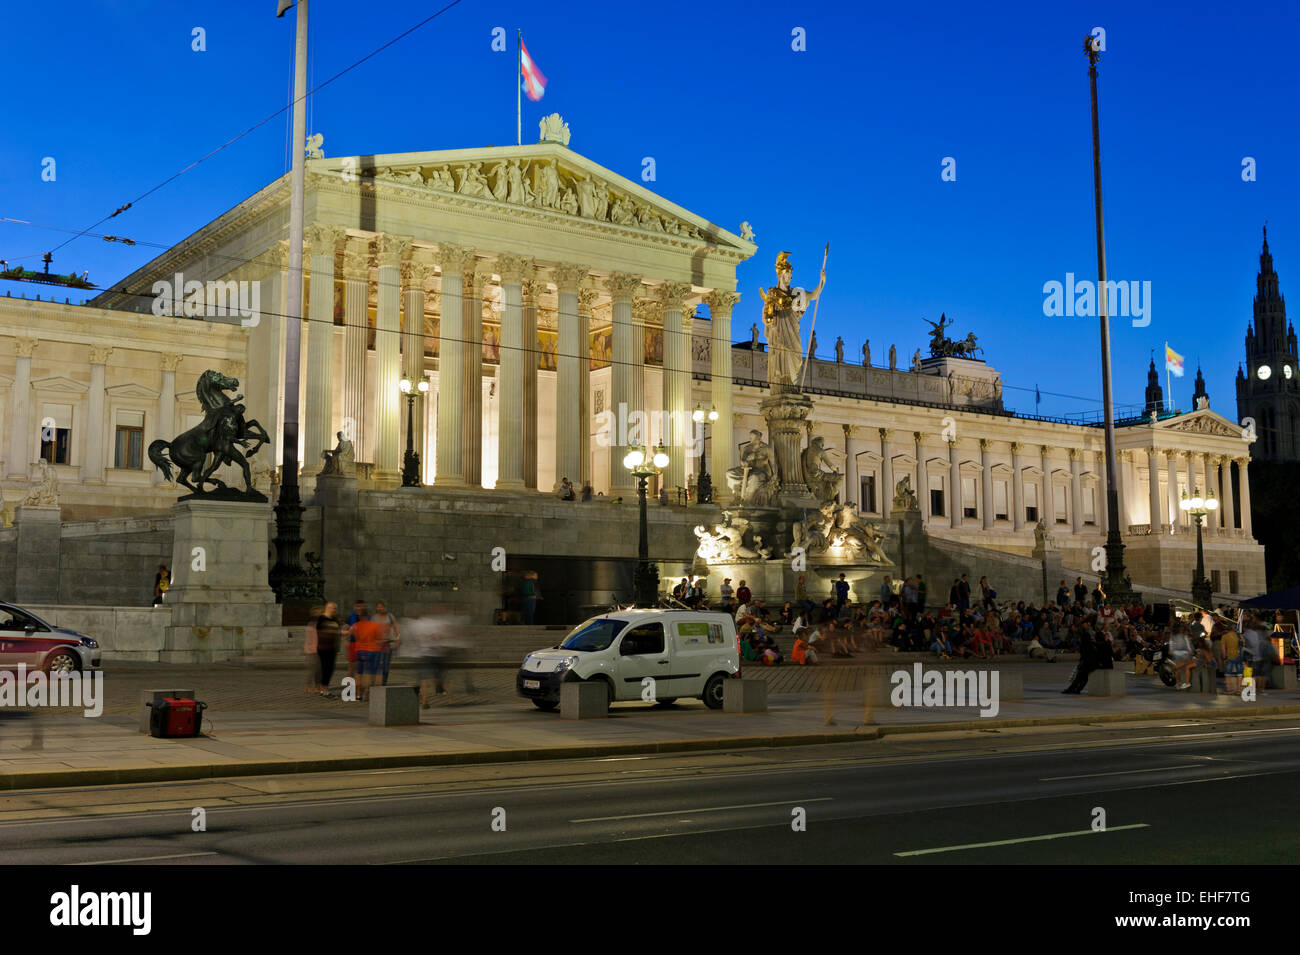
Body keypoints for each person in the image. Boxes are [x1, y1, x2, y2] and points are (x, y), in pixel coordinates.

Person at [314, 602, 342, 697]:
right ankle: (324, 690)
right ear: (327, 608)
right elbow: (318, 631)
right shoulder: (321, 619)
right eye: (332, 608)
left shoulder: (335, 619)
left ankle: (323, 689)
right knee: (326, 668)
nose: (334, 610)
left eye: (335, 608)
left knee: (329, 668)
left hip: (332, 648)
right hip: (323, 648)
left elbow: (338, 631)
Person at [372, 600, 399, 686]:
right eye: (378, 606)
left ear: (385, 607)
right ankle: (374, 682)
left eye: (382, 606)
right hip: (377, 645)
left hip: (387, 644)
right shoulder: (374, 617)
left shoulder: (390, 616)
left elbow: (396, 628)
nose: (380, 608)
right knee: (375, 664)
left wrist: (397, 639)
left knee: (386, 665)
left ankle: (384, 683)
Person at [346, 600, 369, 681]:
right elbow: (348, 627)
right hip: (353, 643)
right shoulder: (351, 616)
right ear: (354, 607)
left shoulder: (367, 617)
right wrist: (346, 640)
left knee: (361, 665)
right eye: (357, 606)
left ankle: (360, 684)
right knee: (351, 665)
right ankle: (349, 686)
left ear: (364, 606)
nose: (359, 608)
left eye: (361, 606)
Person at [1168, 623, 1195, 689]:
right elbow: (1188, 645)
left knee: (1178, 670)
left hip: (1176, 654)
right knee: (1185, 668)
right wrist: (1191, 652)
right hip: (1185, 654)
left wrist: (1171, 652)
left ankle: (1178, 683)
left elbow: (1171, 645)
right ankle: (1185, 683)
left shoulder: (1172, 635)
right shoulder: (1184, 635)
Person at [304, 605, 323, 693]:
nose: (319, 614)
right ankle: (308, 686)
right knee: (312, 670)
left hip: (320, 650)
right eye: (317, 613)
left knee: (319, 670)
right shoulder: (311, 625)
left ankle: (318, 686)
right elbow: (310, 640)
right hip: (312, 651)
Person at [1221, 623, 1244, 694]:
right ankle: (1238, 690)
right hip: (1239, 656)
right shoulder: (1240, 636)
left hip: (1230, 656)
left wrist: (1224, 657)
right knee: (1239, 673)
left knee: (1228, 674)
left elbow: (1223, 648)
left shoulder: (1225, 636)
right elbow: (1244, 645)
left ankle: (1228, 689)